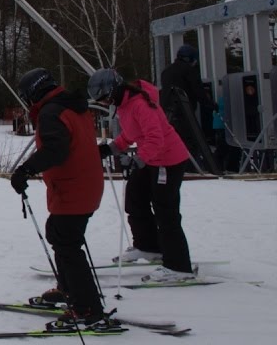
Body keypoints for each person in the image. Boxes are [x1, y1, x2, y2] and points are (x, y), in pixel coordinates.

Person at [11, 68, 110, 331]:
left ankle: (87, 309)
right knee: (59, 235)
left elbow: (56, 150)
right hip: (81, 185)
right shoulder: (70, 106)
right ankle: (69, 291)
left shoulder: (52, 112)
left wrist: (25, 169)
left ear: (34, 92)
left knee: (67, 245)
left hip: (74, 187)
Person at [89, 68, 196, 283]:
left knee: (166, 211)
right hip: (152, 159)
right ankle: (148, 246)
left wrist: (138, 160)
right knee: (135, 198)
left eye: (105, 98)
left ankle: (179, 266)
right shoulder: (125, 104)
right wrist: (111, 149)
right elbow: (131, 133)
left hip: (168, 160)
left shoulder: (140, 104)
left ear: (114, 90)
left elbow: (156, 138)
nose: (104, 103)